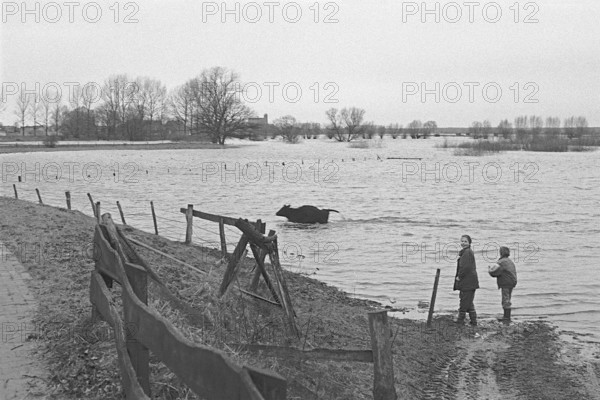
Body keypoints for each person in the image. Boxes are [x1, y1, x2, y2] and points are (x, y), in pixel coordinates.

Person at [454, 235, 479, 325]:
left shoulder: (467, 252)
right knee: (469, 301)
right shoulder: (465, 252)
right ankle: (473, 321)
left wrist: (459, 276)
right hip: (470, 282)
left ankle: (460, 321)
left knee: (464, 301)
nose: (463, 243)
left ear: (469, 243)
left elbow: (465, 267)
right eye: (462, 241)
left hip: (468, 282)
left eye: (465, 241)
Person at [488, 246, 517, 324]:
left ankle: (506, 318)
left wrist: (489, 270)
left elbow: (494, 271)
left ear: (501, 253)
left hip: (506, 283)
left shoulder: (501, 262)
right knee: (508, 298)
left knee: (505, 300)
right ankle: (507, 316)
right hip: (512, 282)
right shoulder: (509, 261)